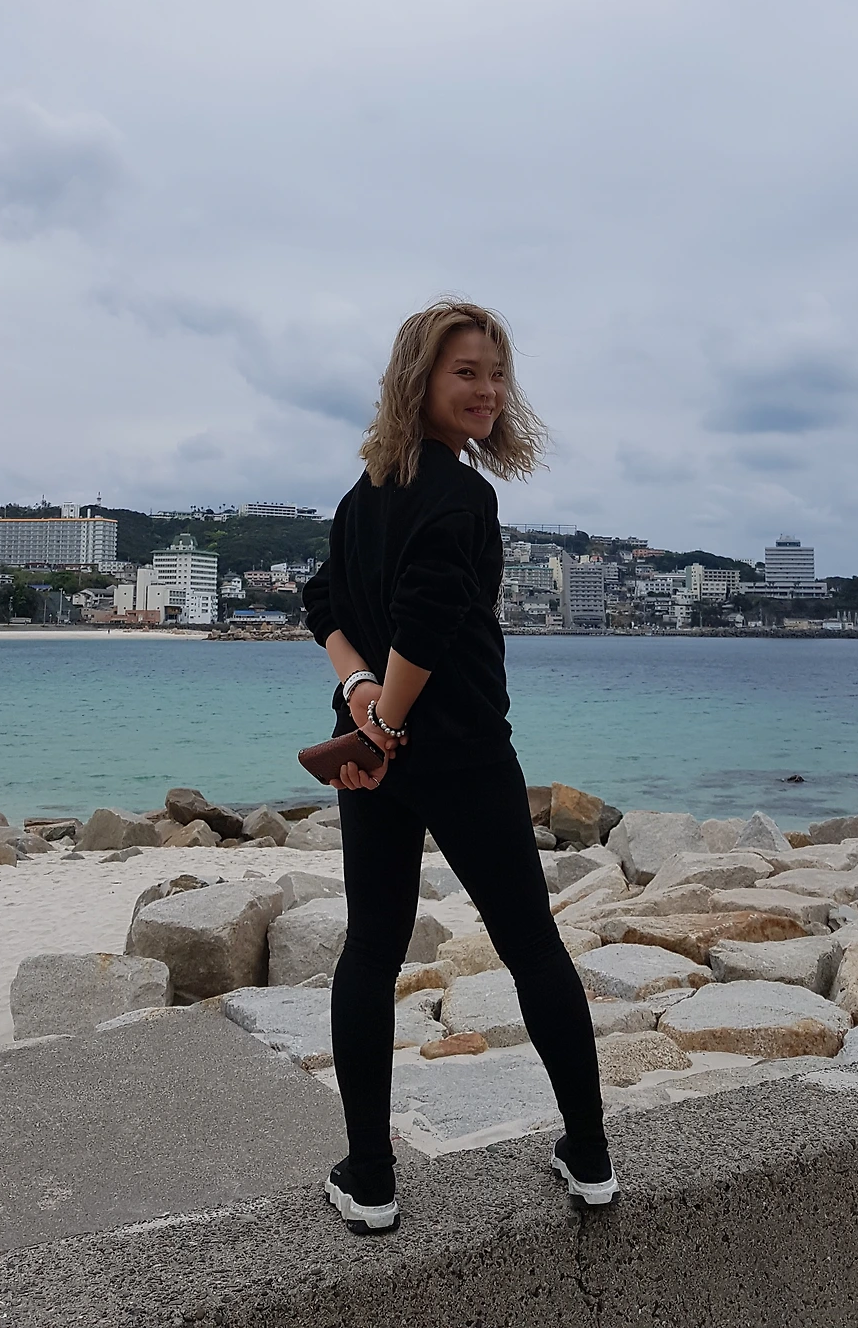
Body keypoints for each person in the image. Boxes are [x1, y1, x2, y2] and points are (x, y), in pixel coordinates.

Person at [302, 299, 618, 1234]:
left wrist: (362, 703)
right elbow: (428, 624)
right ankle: (589, 1156)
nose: (488, 391)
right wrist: (383, 717)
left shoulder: (362, 496)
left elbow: (327, 606)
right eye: (466, 373)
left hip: (379, 756)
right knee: (530, 946)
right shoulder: (462, 496)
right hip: (460, 751)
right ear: (421, 380)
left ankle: (371, 1178)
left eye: (496, 373)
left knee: (371, 952)